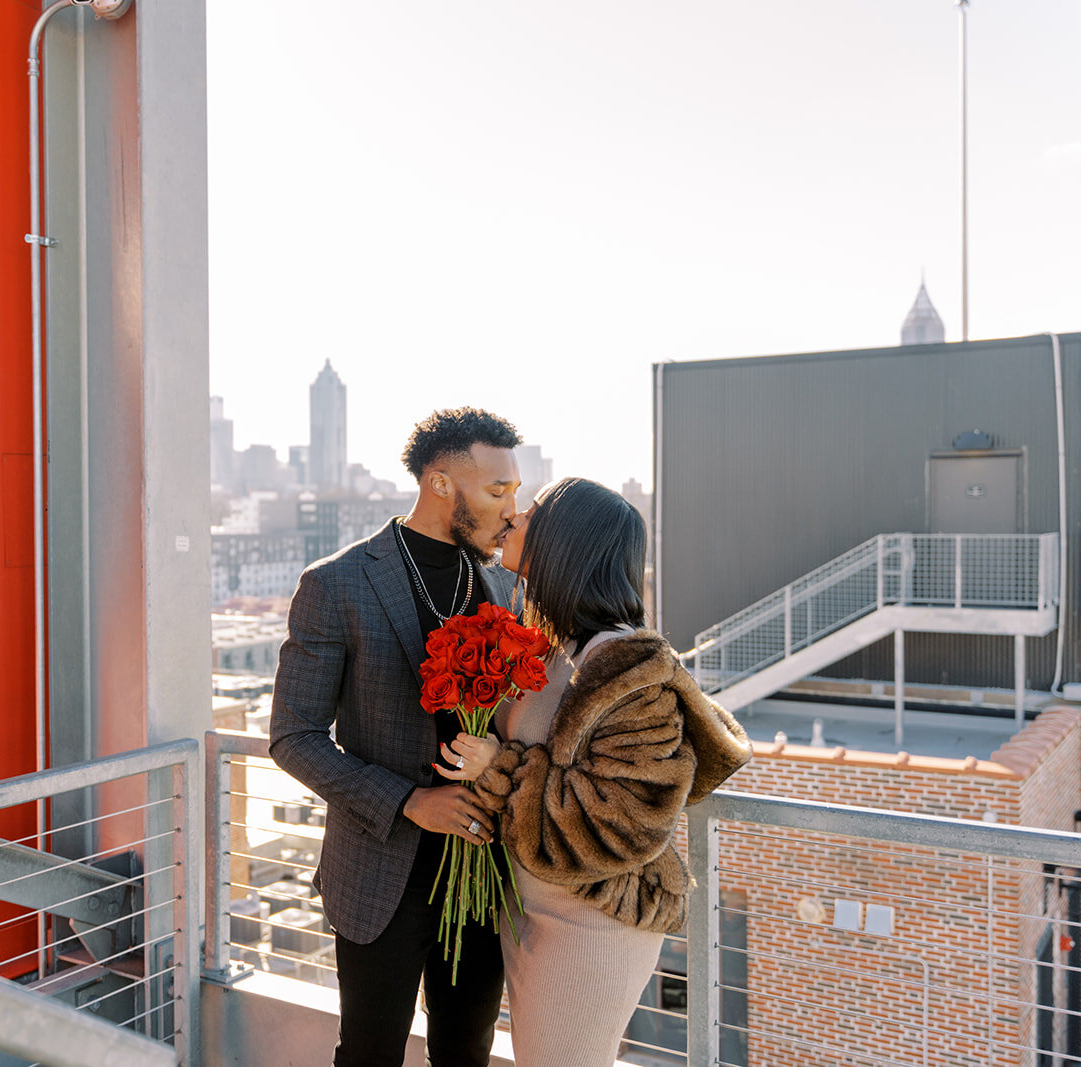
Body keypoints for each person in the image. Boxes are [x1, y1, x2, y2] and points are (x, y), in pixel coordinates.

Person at [435, 477, 753, 1067]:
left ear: (565, 542)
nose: (515, 516)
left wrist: (496, 766)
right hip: (534, 907)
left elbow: (621, 826)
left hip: (594, 924)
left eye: (533, 513)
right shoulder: (558, 648)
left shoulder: (629, 672)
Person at [269, 407, 524, 1067]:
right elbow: (293, 736)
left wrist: (496, 757)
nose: (512, 508)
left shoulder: (508, 589)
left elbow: (526, 725)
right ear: (441, 482)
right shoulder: (336, 584)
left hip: (483, 865)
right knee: (369, 1053)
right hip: (378, 871)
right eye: (498, 491)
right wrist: (409, 800)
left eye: (515, 491)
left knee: (466, 1052)